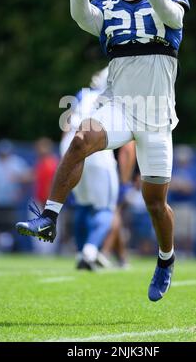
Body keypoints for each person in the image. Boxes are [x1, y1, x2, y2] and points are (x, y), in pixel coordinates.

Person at [16, 0, 190, 301]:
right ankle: (48, 216)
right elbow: (82, 17)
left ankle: (165, 259)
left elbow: (170, 15)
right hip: (120, 106)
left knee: (155, 203)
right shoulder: (108, 4)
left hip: (156, 117)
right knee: (80, 139)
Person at [60, 67, 119, 270]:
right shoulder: (117, 97)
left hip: (70, 143)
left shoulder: (82, 94)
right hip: (96, 148)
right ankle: (90, 251)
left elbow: (66, 127)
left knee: (83, 204)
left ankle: (80, 253)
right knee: (106, 207)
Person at [0, 139, 31, 251]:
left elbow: (29, 176)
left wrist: (19, 183)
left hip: (11, 201)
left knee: (11, 226)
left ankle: (11, 249)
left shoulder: (17, 162)